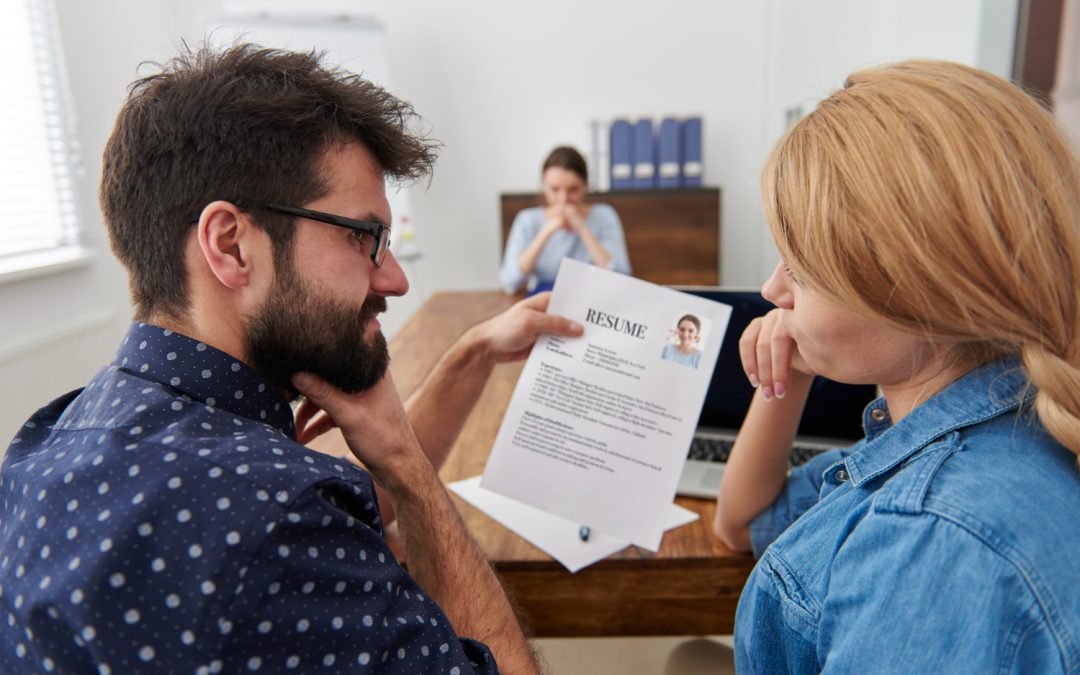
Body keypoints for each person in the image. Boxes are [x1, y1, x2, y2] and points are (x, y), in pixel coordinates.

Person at [0, 44, 584, 674]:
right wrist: (413, 472)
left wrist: (468, 356)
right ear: (232, 245)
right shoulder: (277, 518)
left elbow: (348, 509)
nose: (393, 280)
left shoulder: (51, 438)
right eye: (364, 237)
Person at [713, 60, 1080, 672]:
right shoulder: (999, 412)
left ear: (917, 292)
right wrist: (790, 376)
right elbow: (743, 522)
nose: (772, 288)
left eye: (799, 268)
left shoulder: (938, 540)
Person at [499, 146, 631, 294]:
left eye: (573, 190)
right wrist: (546, 232)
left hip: (590, 300)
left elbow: (621, 277)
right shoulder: (527, 220)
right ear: (543, 187)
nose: (563, 200)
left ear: (585, 187)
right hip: (543, 300)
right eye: (555, 189)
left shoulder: (605, 216)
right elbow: (509, 281)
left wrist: (581, 227)